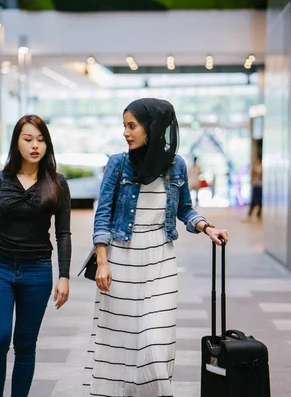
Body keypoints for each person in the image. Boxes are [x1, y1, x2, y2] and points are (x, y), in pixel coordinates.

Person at [85, 98, 228, 396]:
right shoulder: (117, 163)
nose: (126, 132)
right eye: (124, 126)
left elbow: (185, 210)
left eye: (132, 126)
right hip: (121, 260)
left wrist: (206, 227)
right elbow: (103, 215)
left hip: (161, 260)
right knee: (121, 346)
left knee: (154, 343)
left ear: (153, 128)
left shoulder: (176, 165)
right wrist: (102, 260)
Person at [0, 114, 72, 397]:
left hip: (38, 271)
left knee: (25, 345)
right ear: (17, 142)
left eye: (41, 140)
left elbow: (63, 234)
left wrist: (64, 276)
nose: (35, 145)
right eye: (28, 139)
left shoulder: (57, 183)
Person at [246, 156, 263, 220]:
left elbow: (262, 176)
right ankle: (250, 214)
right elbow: (253, 176)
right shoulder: (255, 167)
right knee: (253, 200)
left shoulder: (262, 167)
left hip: (260, 186)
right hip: (256, 186)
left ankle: (258, 214)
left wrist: (258, 173)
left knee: (259, 201)